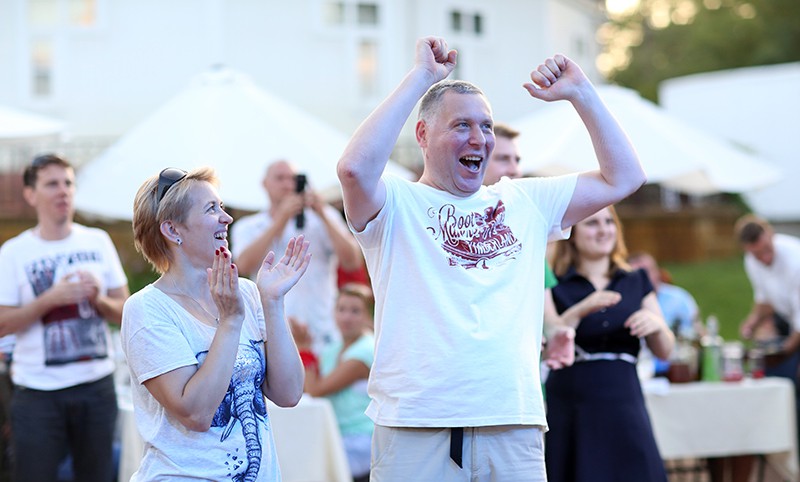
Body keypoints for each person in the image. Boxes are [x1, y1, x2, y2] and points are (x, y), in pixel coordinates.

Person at [336, 36, 646, 480]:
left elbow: (626, 177)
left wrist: (581, 93)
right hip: (416, 425)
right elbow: (353, 169)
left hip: (513, 423)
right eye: (461, 125)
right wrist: (421, 77)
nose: (478, 138)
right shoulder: (396, 204)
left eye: (486, 126)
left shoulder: (526, 200)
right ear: (423, 135)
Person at [121, 167, 308, 480]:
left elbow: (289, 394)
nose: (227, 218)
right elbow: (196, 413)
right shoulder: (147, 308)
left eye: (221, 206)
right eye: (211, 209)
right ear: (172, 230)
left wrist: (272, 303)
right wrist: (231, 321)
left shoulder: (246, 292)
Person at [0, 153, 129, 482]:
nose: (63, 191)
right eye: (52, 184)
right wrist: (49, 300)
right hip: (37, 393)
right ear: (30, 195)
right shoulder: (13, 252)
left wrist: (96, 299)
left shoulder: (97, 241)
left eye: (69, 183)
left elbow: (126, 312)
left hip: (96, 387)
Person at [544, 206, 673, 482]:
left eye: (609, 222)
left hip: (623, 395)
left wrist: (656, 325)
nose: (604, 230)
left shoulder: (635, 279)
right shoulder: (555, 283)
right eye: (592, 223)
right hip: (572, 400)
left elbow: (665, 349)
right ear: (573, 233)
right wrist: (580, 309)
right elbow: (548, 344)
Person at [232, 160, 362, 353]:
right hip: (273, 330)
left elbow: (353, 262)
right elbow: (243, 265)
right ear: (264, 184)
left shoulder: (322, 217)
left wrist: (323, 213)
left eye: (293, 179)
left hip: (324, 327)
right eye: (279, 178)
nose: (287, 185)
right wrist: (281, 219)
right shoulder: (249, 226)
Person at [295, 283, 375, 482]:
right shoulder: (333, 348)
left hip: (360, 440)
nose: (346, 317)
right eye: (341, 309)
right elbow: (306, 387)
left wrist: (304, 349)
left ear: (368, 316)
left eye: (355, 311)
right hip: (336, 435)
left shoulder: (367, 349)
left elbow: (315, 390)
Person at [628, 251, 700, 375]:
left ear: (657, 272)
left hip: (677, 369)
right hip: (638, 371)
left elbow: (697, 332)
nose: (643, 278)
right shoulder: (624, 302)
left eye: (647, 272)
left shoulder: (679, 299)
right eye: (637, 274)